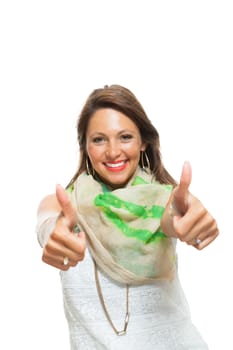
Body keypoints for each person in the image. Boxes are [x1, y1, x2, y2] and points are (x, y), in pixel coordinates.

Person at [36, 84, 219, 350]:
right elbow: (47, 219)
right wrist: (51, 233)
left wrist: (188, 210)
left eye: (125, 137)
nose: (112, 152)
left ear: (143, 141)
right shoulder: (66, 206)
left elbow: (173, 212)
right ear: (85, 146)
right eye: (99, 139)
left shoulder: (162, 199)